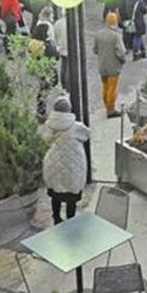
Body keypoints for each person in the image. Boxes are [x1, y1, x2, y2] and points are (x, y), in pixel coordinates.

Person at [41, 96, 90, 224]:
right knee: (71, 198)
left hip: (54, 164)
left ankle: (56, 218)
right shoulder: (77, 127)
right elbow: (87, 134)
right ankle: (70, 222)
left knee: (55, 195)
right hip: (73, 167)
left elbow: (44, 139)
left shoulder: (49, 125)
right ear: (69, 110)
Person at [93, 13, 127, 118]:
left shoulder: (98, 34)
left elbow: (95, 50)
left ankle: (106, 105)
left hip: (102, 65)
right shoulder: (116, 36)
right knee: (112, 88)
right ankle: (110, 109)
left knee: (105, 87)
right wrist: (123, 60)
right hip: (113, 66)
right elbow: (121, 52)